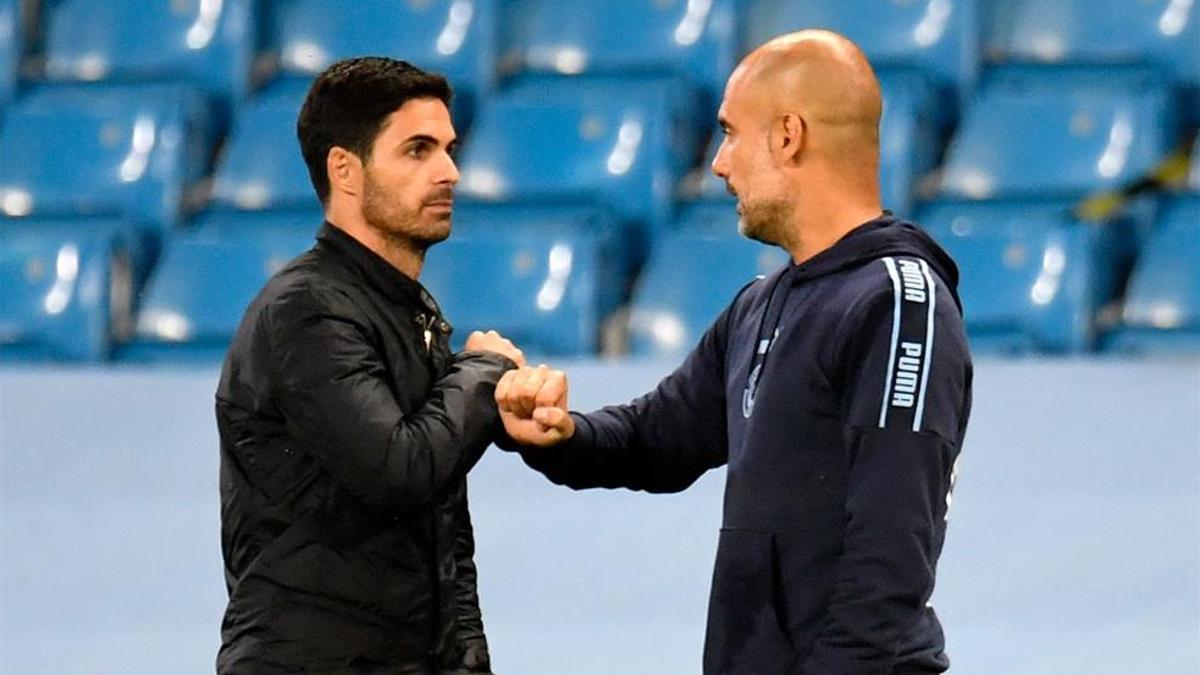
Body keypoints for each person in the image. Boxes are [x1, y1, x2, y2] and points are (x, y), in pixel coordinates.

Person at [496, 31, 973, 674]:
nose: (719, 163)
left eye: (730, 133)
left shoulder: (896, 303)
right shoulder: (761, 302)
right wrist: (560, 435)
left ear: (787, 135)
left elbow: (889, 553)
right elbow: (659, 436)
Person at [215, 57, 522, 673]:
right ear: (344, 170)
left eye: (448, 149)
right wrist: (482, 373)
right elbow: (399, 467)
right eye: (417, 150)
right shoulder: (305, 311)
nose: (450, 172)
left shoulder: (401, 309)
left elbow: (439, 525)